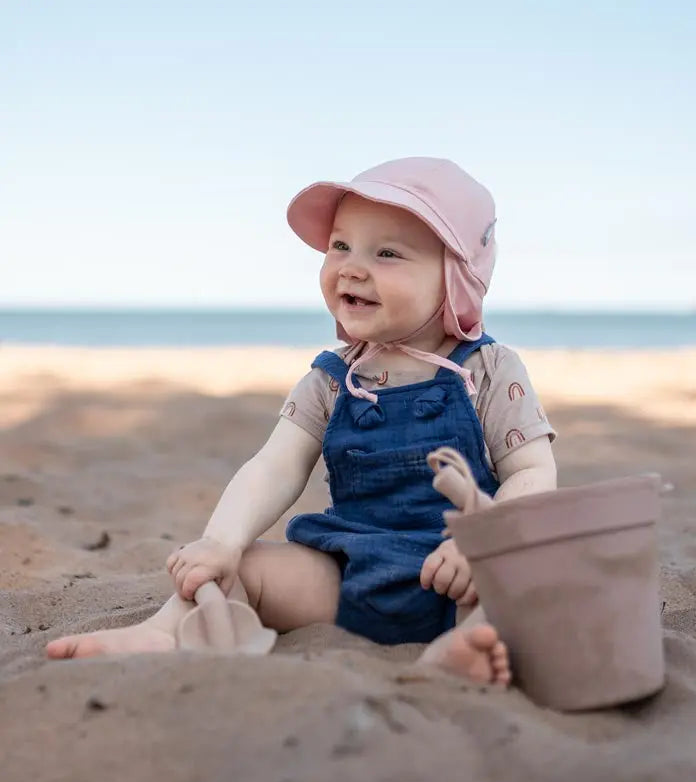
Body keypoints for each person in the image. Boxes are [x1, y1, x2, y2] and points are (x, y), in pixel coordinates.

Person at [47, 157, 557, 686]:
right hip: (350, 575)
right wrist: (222, 540)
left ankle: (458, 652)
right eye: (340, 246)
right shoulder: (334, 380)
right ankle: (167, 629)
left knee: (530, 579)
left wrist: (483, 542)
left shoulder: (489, 371)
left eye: (386, 253)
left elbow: (533, 473)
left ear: (457, 278)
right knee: (242, 568)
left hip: (460, 572)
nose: (352, 267)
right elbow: (276, 464)